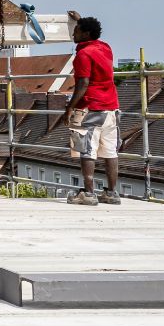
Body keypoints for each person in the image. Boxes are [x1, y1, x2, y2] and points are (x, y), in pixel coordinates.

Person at [65, 12, 121, 206]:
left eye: (77, 30)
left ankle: (88, 194)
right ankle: (112, 193)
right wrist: (81, 19)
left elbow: (83, 84)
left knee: (87, 150)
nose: (73, 33)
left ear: (86, 34)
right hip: (111, 107)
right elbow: (96, 37)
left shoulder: (83, 54)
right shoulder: (105, 48)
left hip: (91, 106)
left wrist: (69, 108)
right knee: (110, 150)